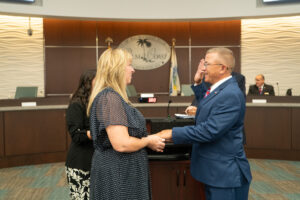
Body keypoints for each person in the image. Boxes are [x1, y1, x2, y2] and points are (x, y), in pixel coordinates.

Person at [157, 47, 252, 200]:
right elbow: (208, 103)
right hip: (216, 172)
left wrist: (172, 133)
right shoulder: (221, 89)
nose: (203, 68)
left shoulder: (231, 94)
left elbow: (209, 130)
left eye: (207, 64)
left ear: (222, 68)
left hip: (225, 176)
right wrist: (198, 82)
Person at [87, 48, 165, 200]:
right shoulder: (110, 98)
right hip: (119, 172)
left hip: (122, 170)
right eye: (129, 65)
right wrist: (148, 140)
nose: (133, 70)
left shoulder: (112, 96)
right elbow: (121, 144)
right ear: (117, 69)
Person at [65, 69, 96, 200]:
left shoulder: (96, 101)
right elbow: (76, 135)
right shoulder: (76, 104)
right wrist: (97, 133)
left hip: (94, 163)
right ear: (88, 82)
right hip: (80, 165)